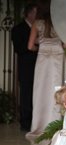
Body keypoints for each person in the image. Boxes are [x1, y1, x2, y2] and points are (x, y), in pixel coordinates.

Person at [26, 0, 66, 139]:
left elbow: (30, 46)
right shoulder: (60, 23)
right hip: (58, 58)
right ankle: (56, 124)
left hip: (43, 58)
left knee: (41, 91)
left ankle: (40, 124)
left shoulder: (36, 24)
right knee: (58, 89)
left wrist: (41, 47)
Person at [11, 3, 38, 131]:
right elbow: (19, 49)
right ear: (28, 14)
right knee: (26, 95)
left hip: (40, 66)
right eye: (34, 12)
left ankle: (35, 120)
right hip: (26, 68)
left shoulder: (39, 28)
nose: (36, 15)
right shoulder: (17, 29)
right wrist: (32, 44)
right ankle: (25, 123)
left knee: (36, 95)